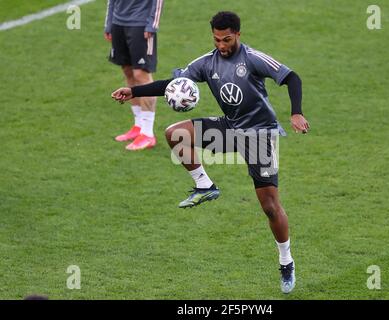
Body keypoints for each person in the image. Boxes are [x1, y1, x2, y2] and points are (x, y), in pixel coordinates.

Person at [111, 11, 309, 294]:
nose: (221, 45)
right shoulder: (206, 63)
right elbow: (173, 83)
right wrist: (135, 91)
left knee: (269, 206)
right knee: (174, 133)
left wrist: (296, 112)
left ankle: (286, 260)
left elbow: (292, 77)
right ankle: (205, 185)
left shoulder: (253, 59)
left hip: (259, 136)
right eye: (217, 39)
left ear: (238, 34)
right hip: (229, 128)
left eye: (226, 39)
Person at [104, 0, 164, 150]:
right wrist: (109, 22)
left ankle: (148, 134)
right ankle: (138, 126)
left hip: (140, 24)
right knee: (128, 72)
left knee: (141, 75)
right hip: (118, 23)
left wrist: (152, 24)